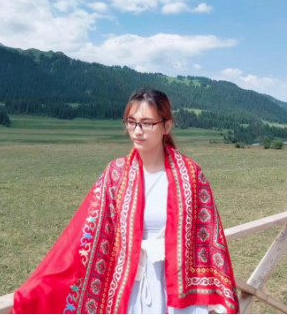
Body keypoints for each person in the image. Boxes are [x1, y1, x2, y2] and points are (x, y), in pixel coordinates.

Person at [12, 88, 239, 314]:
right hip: (129, 288)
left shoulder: (191, 175)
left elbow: (209, 238)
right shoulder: (115, 173)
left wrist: (218, 299)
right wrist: (37, 288)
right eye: (131, 122)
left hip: (177, 294)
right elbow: (83, 234)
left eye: (147, 123)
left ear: (166, 126)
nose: (137, 131)